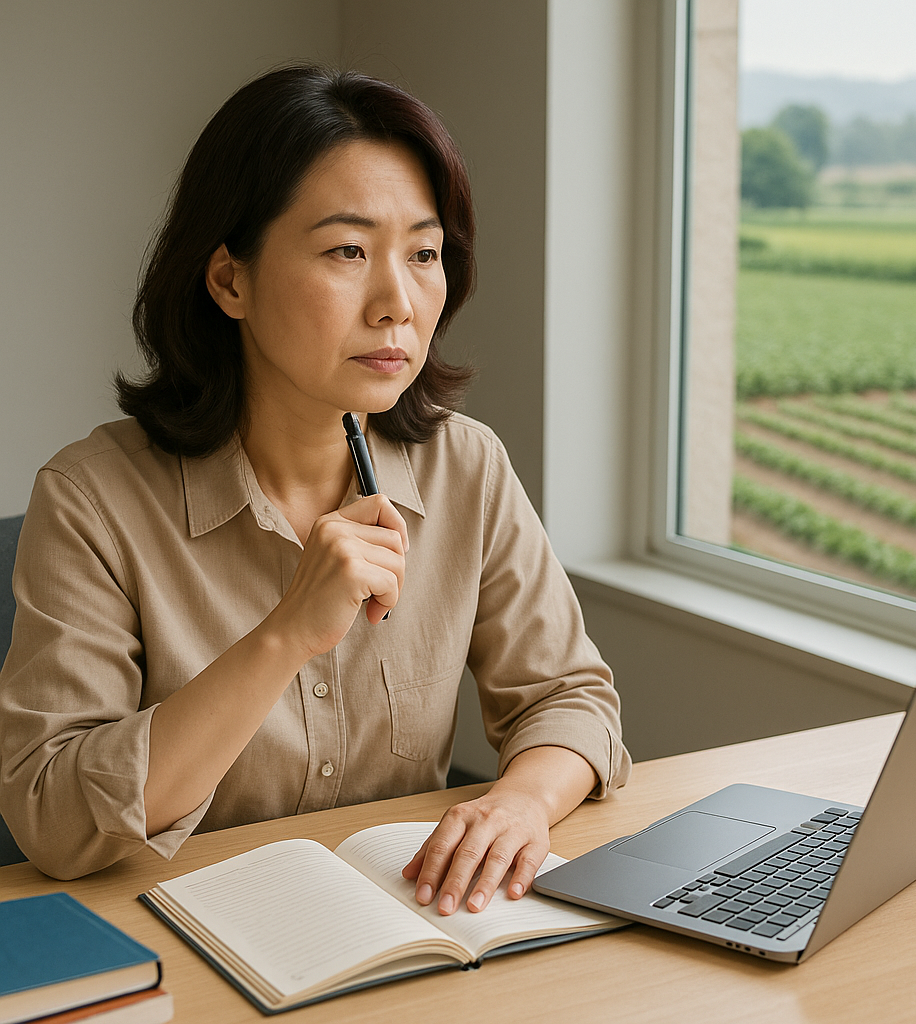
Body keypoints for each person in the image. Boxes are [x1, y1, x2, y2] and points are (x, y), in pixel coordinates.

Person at [0, 66, 630, 911]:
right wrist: (286, 634)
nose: (397, 304)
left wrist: (521, 802)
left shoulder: (467, 467)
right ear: (230, 280)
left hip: (408, 927)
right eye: (348, 251)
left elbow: (571, 698)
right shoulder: (91, 499)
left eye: (424, 253)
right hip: (181, 937)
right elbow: (52, 815)